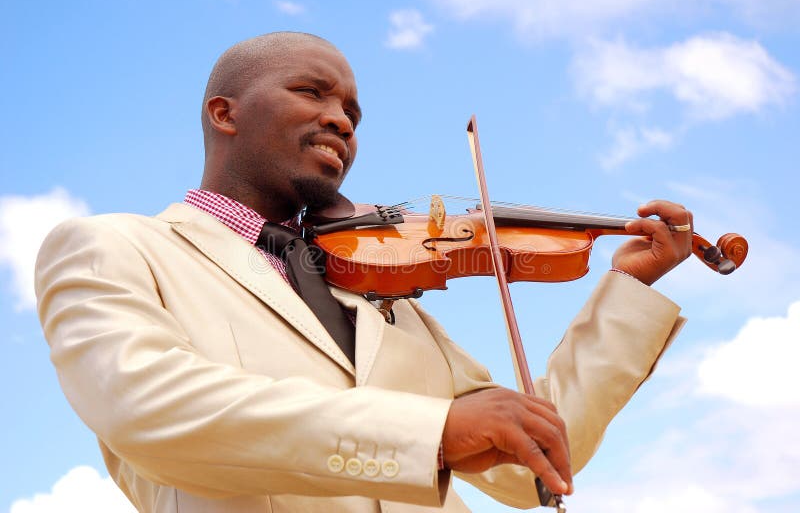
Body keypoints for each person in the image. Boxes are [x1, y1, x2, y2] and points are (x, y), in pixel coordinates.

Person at [35, 32, 691, 512]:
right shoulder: (113, 246)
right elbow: (146, 405)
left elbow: (532, 465)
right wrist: (432, 434)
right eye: (310, 92)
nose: (339, 120)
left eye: (352, 111)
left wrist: (630, 286)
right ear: (223, 112)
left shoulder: (380, 288)